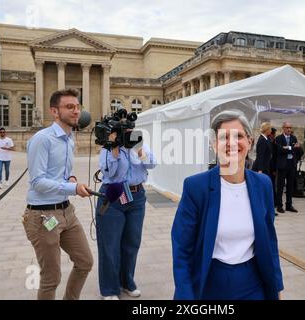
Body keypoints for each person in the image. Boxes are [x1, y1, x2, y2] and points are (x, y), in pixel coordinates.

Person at [171, 110, 283, 300]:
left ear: (250, 141)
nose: (232, 143)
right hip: (210, 282)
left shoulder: (263, 184)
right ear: (215, 145)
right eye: (224, 137)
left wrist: (277, 288)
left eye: (238, 136)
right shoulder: (196, 187)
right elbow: (182, 250)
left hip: (253, 282)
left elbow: (270, 241)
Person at [22, 89, 93, 300]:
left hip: (66, 212)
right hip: (43, 217)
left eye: (77, 107)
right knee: (51, 278)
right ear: (55, 111)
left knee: (85, 262)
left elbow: (58, 175)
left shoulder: (69, 140)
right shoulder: (42, 139)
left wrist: (70, 179)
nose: (76, 111)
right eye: (69, 107)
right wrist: (73, 188)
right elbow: (38, 182)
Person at [95, 125, 156, 300]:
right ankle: (109, 289)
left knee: (132, 242)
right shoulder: (108, 147)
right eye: (124, 129)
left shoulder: (138, 143)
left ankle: (126, 281)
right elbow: (111, 173)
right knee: (110, 245)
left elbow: (152, 164)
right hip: (113, 195)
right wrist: (114, 148)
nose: (128, 132)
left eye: (130, 128)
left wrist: (140, 151)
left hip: (136, 196)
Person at [275, 121, 301, 213]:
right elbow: (280, 150)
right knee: (280, 187)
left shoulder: (294, 138)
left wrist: (288, 148)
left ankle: (289, 205)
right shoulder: (278, 138)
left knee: (290, 186)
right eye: (287, 128)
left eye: (290, 127)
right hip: (282, 166)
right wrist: (291, 148)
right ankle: (279, 206)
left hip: (291, 165)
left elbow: (297, 150)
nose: (289, 129)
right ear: (283, 128)